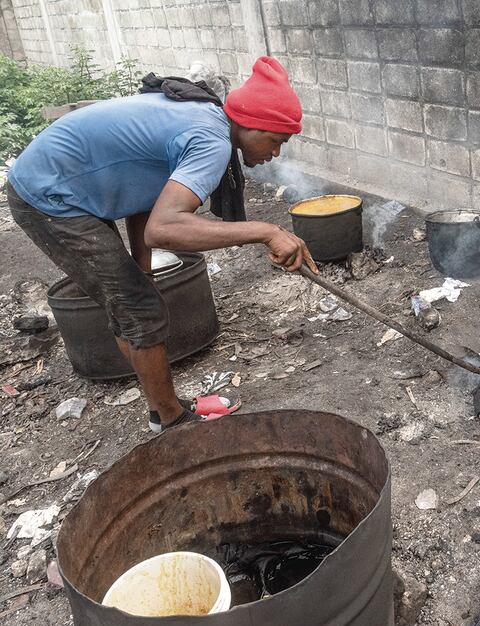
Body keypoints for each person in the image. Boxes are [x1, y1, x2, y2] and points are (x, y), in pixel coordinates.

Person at [5, 56, 317, 432]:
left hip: (68, 182)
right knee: (140, 310)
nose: (276, 152)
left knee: (135, 298)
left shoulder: (205, 116)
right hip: (49, 197)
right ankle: (172, 423)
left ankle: (162, 409)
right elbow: (164, 228)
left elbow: (147, 196)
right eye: (276, 140)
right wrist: (265, 231)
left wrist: (144, 269)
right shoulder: (211, 141)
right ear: (251, 124)